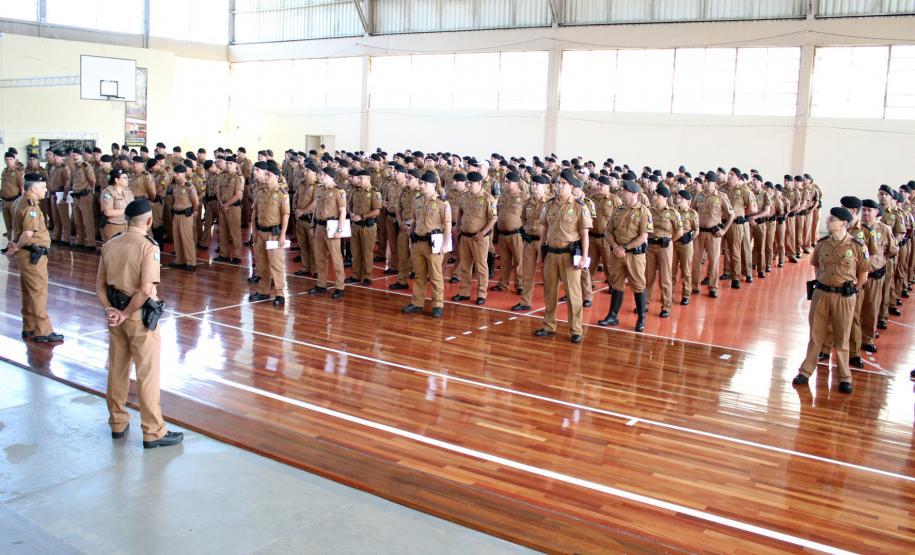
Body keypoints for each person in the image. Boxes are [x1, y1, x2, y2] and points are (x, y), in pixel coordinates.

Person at [96, 198, 183, 448]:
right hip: (139, 317)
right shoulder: (149, 247)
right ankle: (153, 431)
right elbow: (145, 290)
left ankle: (118, 423)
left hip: (115, 317)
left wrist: (111, 311)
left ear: (125, 220)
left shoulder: (110, 244)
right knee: (147, 374)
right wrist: (125, 313)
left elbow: (99, 285)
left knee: (117, 370)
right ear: (149, 220)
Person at [792, 207, 869, 394]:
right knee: (815, 335)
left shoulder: (857, 246)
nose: (828, 221)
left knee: (842, 338)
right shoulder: (822, 243)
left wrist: (850, 291)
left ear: (844, 223)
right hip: (821, 294)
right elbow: (816, 267)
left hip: (844, 297)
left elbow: (863, 276)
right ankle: (806, 371)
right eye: (829, 218)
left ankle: (844, 376)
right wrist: (824, 283)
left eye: (832, 219)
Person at [534, 170, 591, 343]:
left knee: (573, 295)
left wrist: (584, 257)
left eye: (563, 183)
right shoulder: (549, 204)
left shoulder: (580, 207)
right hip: (551, 254)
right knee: (550, 292)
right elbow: (543, 228)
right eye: (558, 183)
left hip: (569, 256)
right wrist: (540, 253)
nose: (559, 186)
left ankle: (576, 329)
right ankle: (549, 325)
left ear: (572, 186)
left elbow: (585, 234)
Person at [6, 173, 62, 343]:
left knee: (28, 291)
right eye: (43, 187)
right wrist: (17, 245)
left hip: (28, 254)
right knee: (38, 292)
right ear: (34, 188)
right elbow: (28, 232)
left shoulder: (19, 201)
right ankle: (42, 330)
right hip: (32, 254)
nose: (45, 190)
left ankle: (29, 326)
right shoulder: (31, 206)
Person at [599, 180, 651, 331]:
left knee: (638, 285)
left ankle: (641, 319)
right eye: (622, 190)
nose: (622, 192)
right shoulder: (618, 210)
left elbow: (643, 236)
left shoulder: (643, 212)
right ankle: (612, 316)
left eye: (625, 191)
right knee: (616, 283)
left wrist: (625, 247)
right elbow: (608, 231)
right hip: (617, 254)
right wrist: (615, 247)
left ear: (634, 194)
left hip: (634, 256)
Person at [402, 172, 452, 318]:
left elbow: (447, 224)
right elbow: (414, 219)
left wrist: (445, 244)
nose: (421, 185)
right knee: (419, 275)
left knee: (436, 276)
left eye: (424, 183)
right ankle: (417, 303)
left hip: (433, 243)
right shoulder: (418, 200)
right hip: (418, 242)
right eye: (421, 183)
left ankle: (437, 304)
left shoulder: (442, 203)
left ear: (432, 184)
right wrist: (409, 231)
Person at [451, 171, 496, 305]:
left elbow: (493, 218)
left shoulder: (488, 198)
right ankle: (464, 292)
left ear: (479, 183)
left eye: (471, 183)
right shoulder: (465, 196)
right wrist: (457, 227)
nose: (468, 184)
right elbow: (460, 212)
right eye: (468, 182)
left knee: (481, 267)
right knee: (465, 266)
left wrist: (483, 233)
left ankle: (481, 293)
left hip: (479, 238)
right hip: (465, 237)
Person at [249, 166, 289, 305]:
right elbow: (255, 212)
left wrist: (283, 235)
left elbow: (285, 215)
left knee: (276, 264)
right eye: (265, 175)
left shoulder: (282, 194)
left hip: (274, 234)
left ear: (277, 177)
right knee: (262, 264)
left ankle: (280, 294)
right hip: (261, 232)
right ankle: (263, 291)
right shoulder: (261, 192)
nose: (266, 177)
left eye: (269, 175)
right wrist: (254, 232)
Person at [691, 172, 734, 298]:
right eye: (705, 181)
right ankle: (694, 286)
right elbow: (692, 212)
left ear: (715, 183)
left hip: (713, 234)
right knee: (696, 261)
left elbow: (731, 214)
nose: (705, 183)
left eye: (708, 181)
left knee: (714, 261)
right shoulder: (699, 196)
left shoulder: (721, 197)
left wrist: (724, 230)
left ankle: (713, 287)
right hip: (699, 233)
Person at [512, 174, 549, 311]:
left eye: (537, 185)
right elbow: (523, 219)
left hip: (543, 243)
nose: (533, 186)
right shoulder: (527, 202)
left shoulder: (549, 203)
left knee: (547, 276)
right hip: (529, 241)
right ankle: (525, 301)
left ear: (544, 187)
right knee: (527, 273)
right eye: (532, 184)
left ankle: (549, 306)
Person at [645, 185, 682, 318]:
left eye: (659, 196)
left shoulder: (673, 213)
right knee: (648, 277)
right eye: (655, 195)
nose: (656, 198)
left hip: (665, 247)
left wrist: (670, 240)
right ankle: (645, 303)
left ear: (665, 198)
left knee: (665, 277)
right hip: (650, 247)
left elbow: (679, 231)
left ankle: (666, 305)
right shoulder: (650, 211)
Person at [310, 167, 346, 299]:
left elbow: (342, 212)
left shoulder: (338, 191)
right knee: (320, 257)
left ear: (331, 176)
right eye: (321, 174)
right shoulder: (320, 189)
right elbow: (315, 209)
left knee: (336, 258)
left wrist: (339, 230)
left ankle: (340, 286)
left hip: (332, 226)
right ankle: (321, 284)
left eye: (324, 174)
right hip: (319, 225)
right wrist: (312, 225)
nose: (321, 176)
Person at [346, 170, 382, 286]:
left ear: (368, 179)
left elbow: (377, 211)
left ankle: (367, 276)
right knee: (355, 252)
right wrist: (351, 213)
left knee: (367, 253)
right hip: (355, 226)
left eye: (361, 178)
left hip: (368, 226)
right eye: (359, 178)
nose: (359, 180)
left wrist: (361, 216)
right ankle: (356, 275)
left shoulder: (374, 192)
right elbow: (349, 205)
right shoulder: (355, 191)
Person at [167, 164, 199, 271]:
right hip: (176, 214)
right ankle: (180, 260)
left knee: (187, 238)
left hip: (186, 215)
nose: (175, 175)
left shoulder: (189, 186)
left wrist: (194, 210)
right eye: (174, 173)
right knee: (177, 238)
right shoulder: (176, 186)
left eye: (178, 173)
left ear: (183, 173)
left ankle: (191, 262)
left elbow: (195, 201)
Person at [673, 189, 698, 305]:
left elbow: (696, 230)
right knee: (671, 270)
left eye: (681, 199)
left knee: (686, 271)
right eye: (678, 198)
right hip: (673, 243)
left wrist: (689, 238)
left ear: (688, 201)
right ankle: (670, 293)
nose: (678, 200)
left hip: (686, 244)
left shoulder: (692, 213)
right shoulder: (673, 211)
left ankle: (686, 294)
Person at [99, 168, 134, 241]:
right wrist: (126, 210)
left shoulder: (128, 192)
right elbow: (108, 212)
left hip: (126, 226)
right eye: (124, 178)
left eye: (127, 178)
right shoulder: (108, 193)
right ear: (116, 180)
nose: (127, 180)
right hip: (113, 227)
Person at [1, 151, 25, 253]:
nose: (8, 161)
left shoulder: (17, 172)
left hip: (14, 201)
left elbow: (22, 188)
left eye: (10, 159)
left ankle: (16, 245)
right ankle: (10, 244)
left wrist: (22, 202)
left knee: (15, 225)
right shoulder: (4, 171)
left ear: (14, 159)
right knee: (8, 226)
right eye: (6, 159)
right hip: (5, 201)